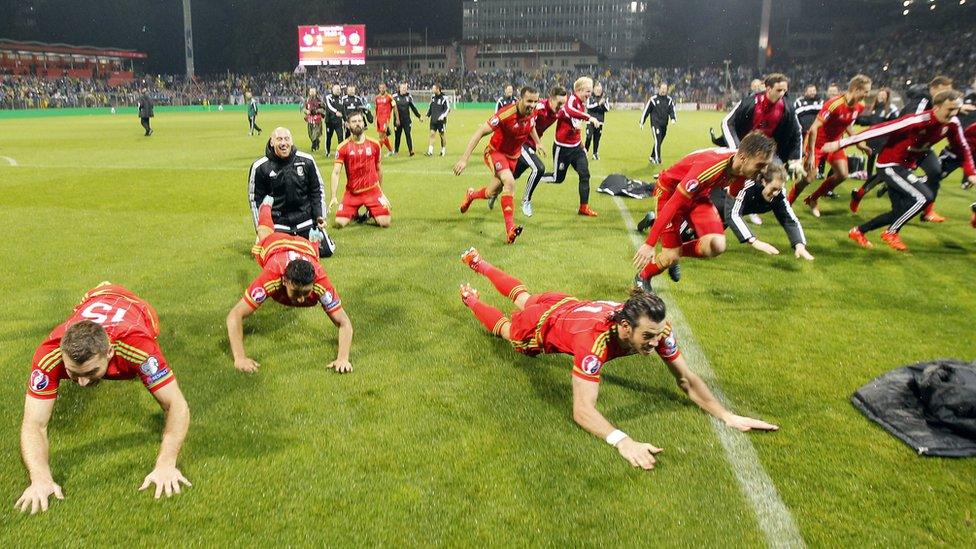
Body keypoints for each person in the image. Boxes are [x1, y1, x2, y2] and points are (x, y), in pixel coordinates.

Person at [457, 248, 778, 469]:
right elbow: (582, 410)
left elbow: (686, 379)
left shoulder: (655, 328)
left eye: (657, 334)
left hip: (567, 305)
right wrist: (622, 441)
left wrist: (727, 415)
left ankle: (480, 263)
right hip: (546, 326)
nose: (655, 343)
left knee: (524, 296)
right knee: (508, 329)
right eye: (647, 337)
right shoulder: (594, 344)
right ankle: (471, 299)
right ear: (625, 328)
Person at [17, 282, 191, 513]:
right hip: (93, 298)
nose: (82, 383)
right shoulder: (49, 353)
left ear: (110, 353)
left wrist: (166, 465)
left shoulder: (137, 346)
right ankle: (103, 287)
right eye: (73, 373)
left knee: (153, 369)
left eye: (91, 373)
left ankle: (110, 287)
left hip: (133, 308)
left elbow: (176, 405)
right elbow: (34, 424)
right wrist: (40, 479)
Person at [823, 90, 976, 251]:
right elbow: (881, 129)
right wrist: (841, 144)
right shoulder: (917, 120)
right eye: (950, 109)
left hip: (906, 166)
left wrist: (971, 172)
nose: (954, 113)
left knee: (901, 210)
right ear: (936, 108)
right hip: (889, 164)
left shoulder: (953, 123)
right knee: (924, 197)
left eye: (956, 109)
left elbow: (963, 148)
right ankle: (891, 232)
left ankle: (858, 231)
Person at [633, 132, 776, 291]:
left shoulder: (742, 171)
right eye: (760, 165)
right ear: (743, 158)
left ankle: (672, 252)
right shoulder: (710, 166)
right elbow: (674, 204)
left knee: (717, 245)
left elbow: (731, 199)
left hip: (699, 195)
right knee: (670, 255)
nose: (763, 171)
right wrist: (649, 244)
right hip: (670, 193)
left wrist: (715, 226)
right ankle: (643, 276)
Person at [226, 196, 354, 374]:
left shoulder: (320, 281)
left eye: (306, 292)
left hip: (306, 248)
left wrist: (343, 358)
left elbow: (345, 323)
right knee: (264, 234)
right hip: (276, 245)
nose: (301, 299)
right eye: (296, 292)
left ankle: (314, 237)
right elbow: (234, 316)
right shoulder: (272, 275)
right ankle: (265, 207)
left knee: (314, 249)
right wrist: (239, 358)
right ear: (285, 280)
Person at [454, 86, 542, 244]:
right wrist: (464, 159)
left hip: (513, 157)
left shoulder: (533, 112)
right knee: (509, 182)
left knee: (491, 192)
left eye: (535, 102)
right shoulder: (505, 114)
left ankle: (471, 195)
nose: (532, 105)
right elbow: (480, 132)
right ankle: (510, 230)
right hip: (496, 152)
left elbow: (532, 126)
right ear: (520, 99)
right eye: (529, 101)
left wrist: (538, 142)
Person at [789, 74, 872, 217]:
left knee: (843, 174)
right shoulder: (834, 104)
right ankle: (787, 204)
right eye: (865, 91)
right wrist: (811, 154)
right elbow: (814, 128)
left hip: (835, 144)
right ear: (856, 89)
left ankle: (813, 199)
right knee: (809, 178)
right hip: (817, 144)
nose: (867, 95)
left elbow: (848, 126)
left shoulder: (860, 106)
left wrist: (859, 145)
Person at [247, 127, 336, 258]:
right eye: (279, 139)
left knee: (325, 251)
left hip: (304, 220)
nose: (283, 143)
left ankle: (307, 240)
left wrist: (319, 215)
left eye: (286, 139)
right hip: (277, 223)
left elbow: (317, 190)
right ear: (272, 142)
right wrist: (261, 228)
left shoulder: (307, 161)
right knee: (268, 256)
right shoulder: (260, 167)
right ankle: (273, 241)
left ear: (292, 142)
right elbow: (255, 200)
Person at [706, 160, 813, 260]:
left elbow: (789, 220)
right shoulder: (746, 186)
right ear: (763, 182)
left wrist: (800, 245)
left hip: (723, 215)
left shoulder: (779, 196)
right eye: (774, 189)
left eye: (779, 189)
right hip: (712, 202)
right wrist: (754, 241)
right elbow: (733, 214)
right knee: (703, 242)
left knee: (708, 245)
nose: (776, 193)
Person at [719, 73, 804, 177]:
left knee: (776, 181)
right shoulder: (748, 103)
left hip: (769, 154)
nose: (782, 94)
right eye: (778, 90)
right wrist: (735, 148)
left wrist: (796, 159)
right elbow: (727, 122)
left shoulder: (787, 109)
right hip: (744, 151)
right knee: (736, 179)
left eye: (784, 91)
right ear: (768, 89)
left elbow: (797, 132)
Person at [895, 76, 955, 222]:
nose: (947, 95)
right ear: (933, 89)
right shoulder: (922, 102)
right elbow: (912, 121)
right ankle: (860, 194)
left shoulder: (942, 106)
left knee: (936, 172)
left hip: (923, 148)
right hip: (905, 147)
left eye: (949, 91)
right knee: (885, 176)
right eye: (944, 91)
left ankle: (928, 211)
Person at [550, 76, 603, 217]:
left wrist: (582, 146)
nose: (589, 95)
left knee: (585, 174)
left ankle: (583, 207)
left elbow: (577, 127)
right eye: (588, 91)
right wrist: (589, 117)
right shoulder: (572, 100)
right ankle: (536, 176)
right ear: (578, 90)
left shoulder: (582, 103)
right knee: (557, 178)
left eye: (590, 92)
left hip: (576, 148)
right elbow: (568, 110)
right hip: (562, 148)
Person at [330, 110, 391, 228]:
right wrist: (333, 196)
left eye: (360, 121)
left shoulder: (374, 144)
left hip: (372, 191)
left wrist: (381, 192)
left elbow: (379, 169)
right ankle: (353, 212)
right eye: (354, 121)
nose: (357, 123)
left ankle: (370, 212)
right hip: (352, 193)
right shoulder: (343, 147)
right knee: (339, 223)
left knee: (385, 222)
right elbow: (336, 173)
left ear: (363, 123)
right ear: (347, 125)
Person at [519, 86, 567, 217]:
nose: (562, 107)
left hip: (531, 145)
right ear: (551, 99)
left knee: (512, 176)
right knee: (539, 168)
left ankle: (488, 194)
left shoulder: (557, 112)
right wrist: (539, 143)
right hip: (521, 142)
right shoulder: (539, 108)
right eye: (559, 104)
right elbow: (530, 124)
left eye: (564, 103)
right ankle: (526, 201)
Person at [849, 88, 899, 213]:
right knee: (871, 159)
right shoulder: (874, 108)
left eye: (883, 95)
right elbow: (868, 121)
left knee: (883, 164)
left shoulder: (891, 108)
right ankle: (870, 178)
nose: (881, 97)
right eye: (879, 95)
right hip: (873, 139)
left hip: (884, 141)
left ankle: (883, 184)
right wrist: (855, 118)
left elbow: (894, 123)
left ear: (887, 97)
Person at [640, 82, 677, 164]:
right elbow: (646, 111)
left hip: (664, 125)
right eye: (662, 88)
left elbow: (672, 110)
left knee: (659, 142)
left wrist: (673, 118)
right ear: (659, 89)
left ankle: (652, 157)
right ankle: (657, 159)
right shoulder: (653, 99)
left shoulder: (669, 100)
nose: (664, 90)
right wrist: (642, 122)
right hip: (655, 124)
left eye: (665, 89)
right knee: (657, 140)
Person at [392, 82, 422, 156]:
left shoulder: (409, 97)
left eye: (405, 88)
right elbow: (389, 107)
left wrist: (419, 116)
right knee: (397, 136)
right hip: (397, 121)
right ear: (399, 88)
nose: (405, 89)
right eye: (403, 88)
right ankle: (396, 151)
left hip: (407, 120)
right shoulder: (394, 96)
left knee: (408, 135)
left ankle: (411, 151)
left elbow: (413, 108)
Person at [584, 82, 611, 160]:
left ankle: (595, 153)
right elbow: (589, 106)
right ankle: (585, 152)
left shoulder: (604, 98)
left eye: (600, 87)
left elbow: (607, 109)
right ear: (593, 88)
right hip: (590, 121)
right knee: (588, 137)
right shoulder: (590, 97)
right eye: (597, 87)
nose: (599, 88)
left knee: (597, 138)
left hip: (600, 122)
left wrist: (603, 104)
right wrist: (598, 103)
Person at [426, 84, 451, 157]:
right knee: (432, 134)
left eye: (433, 88)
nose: (432, 90)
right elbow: (431, 107)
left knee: (442, 135)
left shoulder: (444, 98)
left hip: (441, 121)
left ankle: (443, 150)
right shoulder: (433, 97)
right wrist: (428, 115)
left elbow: (447, 109)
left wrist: (442, 116)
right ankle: (430, 151)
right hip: (433, 120)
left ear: (438, 89)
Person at [374, 83, 399, 156]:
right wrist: (374, 118)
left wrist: (397, 118)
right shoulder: (377, 98)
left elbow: (395, 107)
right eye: (380, 88)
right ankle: (391, 150)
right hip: (379, 120)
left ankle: (377, 153)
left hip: (385, 119)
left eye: (383, 88)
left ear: (386, 88)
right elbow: (376, 109)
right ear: (379, 89)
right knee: (382, 136)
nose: (382, 89)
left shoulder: (389, 97)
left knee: (382, 135)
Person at [302, 88, 325, 152]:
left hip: (317, 119)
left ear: (315, 92)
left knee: (316, 132)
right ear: (309, 92)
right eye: (311, 92)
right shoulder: (307, 100)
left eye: (313, 91)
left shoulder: (319, 100)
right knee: (310, 134)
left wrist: (317, 110)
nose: (312, 93)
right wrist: (306, 111)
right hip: (310, 119)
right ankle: (317, 141)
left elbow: (324, 108)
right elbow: (304, 108)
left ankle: (313, 146)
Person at [324, 84, 345, 155]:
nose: (339, 91)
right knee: (329, 137)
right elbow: (329, 107)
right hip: (329, 122)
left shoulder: (341, 99)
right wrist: (336, 112)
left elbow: (343, 110)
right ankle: (328, 151)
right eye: (337, 89)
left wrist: (345, 120)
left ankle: (341, 152)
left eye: (339, 89)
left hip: (338, 122)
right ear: (333, 90)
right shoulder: (328, 97)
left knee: (340, 137)